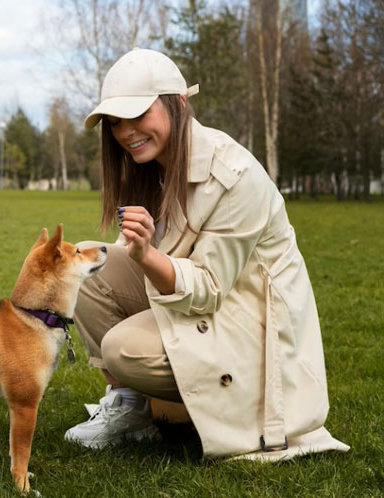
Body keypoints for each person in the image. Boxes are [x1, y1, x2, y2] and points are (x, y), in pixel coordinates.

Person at [65, 48, 349, 461]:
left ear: (179, 103)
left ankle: (219, 406)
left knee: (123, 347)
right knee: (84, 267)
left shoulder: (231, 175)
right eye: (115, 122)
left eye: (138, 115)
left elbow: (210, 289)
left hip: (248, 323)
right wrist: (143, 254)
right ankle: (132, 409)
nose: (125, 132)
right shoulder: (154, 165)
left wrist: (146, 255)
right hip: (203, 302)